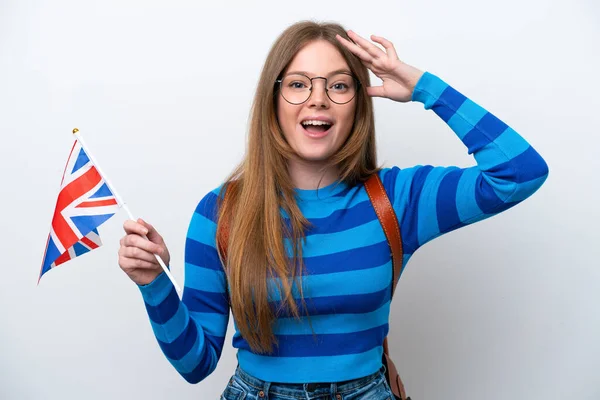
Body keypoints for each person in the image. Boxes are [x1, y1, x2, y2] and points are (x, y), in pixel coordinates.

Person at [118, 21, 549, 399]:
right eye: (298, 83)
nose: (318, 99)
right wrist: (154, 284)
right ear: (274, 101)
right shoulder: (221, 212)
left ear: (358, 104)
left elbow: (519, 171)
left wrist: (422, 87)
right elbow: (196, 365)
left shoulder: (398, 199)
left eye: (339, 85)